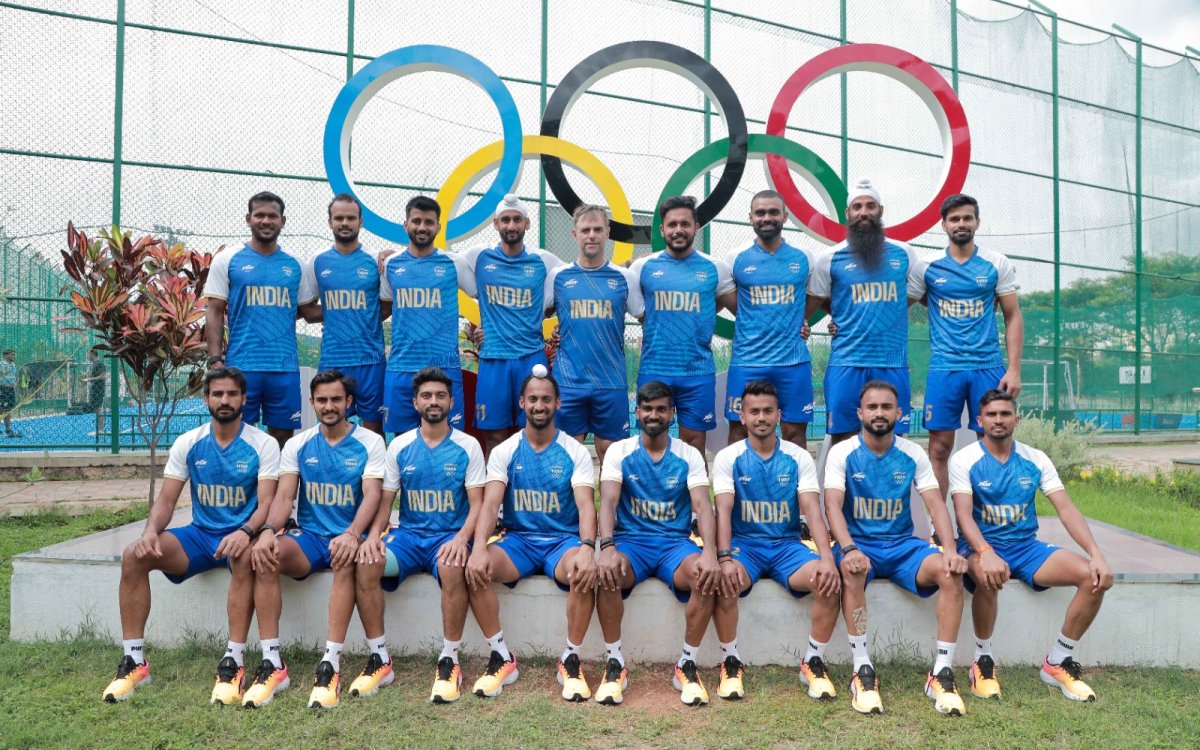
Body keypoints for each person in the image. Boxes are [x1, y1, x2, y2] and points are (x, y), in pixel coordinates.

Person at [101, 367, 280, 705]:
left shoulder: (263, 444)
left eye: (231, 394)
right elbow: (167, 500)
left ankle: (234, 660)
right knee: (133, 556)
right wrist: (150, 532)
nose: (224, 400)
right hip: (201, 535)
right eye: (217, 394)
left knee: (243, 557)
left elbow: (267, 503)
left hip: (242, 536)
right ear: (206, 399)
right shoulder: (189, 442)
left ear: (243, 399)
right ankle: (135, 660)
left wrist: (246, 532)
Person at [950, 389, 1112, 702]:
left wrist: (1097, 555)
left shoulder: (1035, 459)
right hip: (979, 545)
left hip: (1025, 547)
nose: (999, 420)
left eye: (1005, 414)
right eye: (992, 415)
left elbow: (1066, 510)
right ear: (979, 420)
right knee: (987, 575)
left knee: (1093, 578)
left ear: (1016, 419)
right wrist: (986, 553)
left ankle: (1056, 662)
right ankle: (983, 661)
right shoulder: (965, 460)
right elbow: (963, 516)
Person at [822, 380, 968, 716]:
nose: (879, 413)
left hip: (903, 547)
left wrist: (949, 548)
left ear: (899, 413)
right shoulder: (842, 452)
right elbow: (832, 505)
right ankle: (862, 669)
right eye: (872, 407)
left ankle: (941, 673)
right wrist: (848, 549)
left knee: (951, 572)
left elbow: (935, 502)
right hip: (860, 546)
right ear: (860, 413)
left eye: (886, 407)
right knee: (852, 571)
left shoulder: (912, 452)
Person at [245, 370, 387, 708]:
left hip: (351, 534)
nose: (329, 406)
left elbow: (372, 495)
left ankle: (330, 663)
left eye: (336, 399)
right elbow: (283, 499)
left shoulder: (371, 442)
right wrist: (267, 532)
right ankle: (273, 662)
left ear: (349, 402)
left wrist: (353, 534)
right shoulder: (298, 444)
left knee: (344, 559)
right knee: (266, 557)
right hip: (310, 535)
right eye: (322, 400)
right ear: (312, 403)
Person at [350, 366, 487, 705]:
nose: (434, 401)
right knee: (367, 562)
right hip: (409, 538)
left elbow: (478, 505)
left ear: (452, 402)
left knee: (454, 566)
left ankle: (449, 660)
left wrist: (461, 539)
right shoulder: (399, 445)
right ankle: (379, 658)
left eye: (441, 395)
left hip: (449, 537)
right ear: (415, 402)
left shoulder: (467, 446)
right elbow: (385, 501)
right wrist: (373, 535)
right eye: (426, 395)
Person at [464, 370, 597, 700]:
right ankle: (501, 657)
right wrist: (479, 546)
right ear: (522, 402)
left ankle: (570, 658)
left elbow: (585, 506)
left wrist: (587, 547)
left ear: (558, 404)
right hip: (519, 540)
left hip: (561, 541)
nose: (539, 405)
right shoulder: (505, 451)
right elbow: (491, 502)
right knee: (476, 567)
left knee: (583, 570)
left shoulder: (575, 451)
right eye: (533, 399)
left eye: (546, 399)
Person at [711, 380, 841, 701]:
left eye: (768, 411)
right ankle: (730, 660)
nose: (761, 417)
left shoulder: (798, 457)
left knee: (829, 580)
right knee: (724, 581)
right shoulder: (729, 457)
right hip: (746, 547)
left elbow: (813, 510)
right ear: (742, 416)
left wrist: (826, 557)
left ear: (780, 415)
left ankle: (813, 660)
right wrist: (725, 559)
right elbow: (723, 512)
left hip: (787, 548)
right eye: (754, 411)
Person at [594, 381, 720, 706]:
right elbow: (607, 502)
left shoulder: (688, 454)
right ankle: (614, 663)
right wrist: (606, 547)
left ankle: (686, 664)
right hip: (630, 543)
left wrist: (709, 552)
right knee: (606, 573)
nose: (654, 415)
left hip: (673, 544)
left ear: (672, 414)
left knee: (705, 575)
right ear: (637, 412)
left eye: (661, 409)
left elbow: (703, 506)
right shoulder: (619, 452)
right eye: (647, 409)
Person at [807, 180, 925, 443]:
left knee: (896, 439)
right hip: (846, 361)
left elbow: (919, 295)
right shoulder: (830, 257)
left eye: (870, 206)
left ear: (880, 211)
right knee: (843, 439)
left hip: (892, 361)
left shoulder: (904, 253)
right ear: (848, 214)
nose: (864, 212)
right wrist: (839, 314)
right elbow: (812, 302)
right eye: (857, 207)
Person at [922, 194, 1023, 496]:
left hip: (987, 367)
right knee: (939, 448)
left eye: (967, 218)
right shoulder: (928, 266)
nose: (961, 223)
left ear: (977, 222)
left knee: (990, 444)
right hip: (944, 368)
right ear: (944, 225)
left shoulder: (996, 263)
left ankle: (985, 524)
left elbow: (1013, 316)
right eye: (954, 219)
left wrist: (1014, 370)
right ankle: (939, 527)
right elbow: (899, 306)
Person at [205, 191, 319, 448]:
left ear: (283, 221)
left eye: (272, 216)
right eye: (260, 215)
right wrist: (214, 360)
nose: (266, 221)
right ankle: (244, 488)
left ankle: (276, 489)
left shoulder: (295, 265)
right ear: (248, 218)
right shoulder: (228, 259)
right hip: (241, 366)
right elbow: (213, 311)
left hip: (284, 368)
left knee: (282, 438)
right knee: (238, 436)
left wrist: (360, 307)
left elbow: (307, 311)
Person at [631, 195, 736, 456]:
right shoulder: (642, 267)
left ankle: (693, 496)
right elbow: (637, 311)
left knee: (694, 443)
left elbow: (741, 309)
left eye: (685, 224)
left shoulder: (716, 268)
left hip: (697, 371)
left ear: (696, 227)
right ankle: (654, 495)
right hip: (655, 367)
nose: (679, 230)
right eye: (672, 224)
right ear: (662, 229)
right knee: (652, 440)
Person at [462, 194, 562, 457]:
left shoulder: (544, 261)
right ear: (495, 224)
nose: (511, 225)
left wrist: (565, 326)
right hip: (494, 359)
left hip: (531, 358)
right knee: (494, 437)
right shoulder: (478, 257)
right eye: (505, 220)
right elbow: (437, 261)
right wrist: (392, 254)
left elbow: (577, 282)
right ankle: (495, 498)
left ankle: (527, 492)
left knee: (533, 432)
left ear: (527, 224)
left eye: (517, 219)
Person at [546, 204, 644, 467]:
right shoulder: (558, 277)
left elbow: (645, 317)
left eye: (597, 229)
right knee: (566, 458)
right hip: (568, 381)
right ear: (574, 234)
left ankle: (607, 511)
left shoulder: (624, 278)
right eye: (585, 230)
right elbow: (536, 316)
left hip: (610, 381)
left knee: (611, 457)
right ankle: (571, 510)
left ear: (608, 233)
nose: (591, 235)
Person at [725, 191, 817, 448]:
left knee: (795, 433)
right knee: (738, 431)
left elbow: (819, 295)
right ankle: (735, 489)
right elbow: (733, 303)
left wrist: (804, 318)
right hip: (748, 361)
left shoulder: (804, 257)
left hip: (793, 362)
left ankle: (795, 489)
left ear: (785, 216)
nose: (767, 218)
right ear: (750, 218)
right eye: (760, 213)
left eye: (773, 212)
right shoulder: (736, 258)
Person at [379, 196, 476, 436]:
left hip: (444, 368)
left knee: (450, 441)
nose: (422, 227)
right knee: (402, 443)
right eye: (417, 221)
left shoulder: (454, 263)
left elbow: (483, 296)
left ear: (438, 227)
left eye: (429, 222)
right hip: (402, 367)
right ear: (406, 225)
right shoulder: (391, 264)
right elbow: (384, 307)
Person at [306, 194, 387, 435]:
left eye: (350, 218)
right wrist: (341, 313)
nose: (344, 223)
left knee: (373, 430)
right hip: (333, 359)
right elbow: (308, 311)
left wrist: (361, 316)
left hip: (371, 361)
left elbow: (386, 306)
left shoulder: (375, 261)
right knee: (331, 427)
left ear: (360, 222)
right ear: (329, 222)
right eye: (338, 218)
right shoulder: (317, 262)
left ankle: (374, 474)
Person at [84, 348, 106, 436]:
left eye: (88, 354)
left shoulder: (100, 363)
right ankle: (99, 429)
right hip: (94, 389)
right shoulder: (94, 364)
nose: (87, 356)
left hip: (98, 389)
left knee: (99, 408)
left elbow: (103, 376)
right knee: (97, 408)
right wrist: (88, 377)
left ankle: (100, 430)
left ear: (93, 354)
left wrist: (90, 379)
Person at [1, 348, 20, 437]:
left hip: (11, 390)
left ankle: (8, 430)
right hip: (3, 389)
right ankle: (7, 430)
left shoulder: (13, 364)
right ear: (6, 355)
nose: (13, 356)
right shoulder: (1, 364)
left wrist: (15, 387)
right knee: (3, 409)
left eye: (13, 354)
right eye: (11, 354)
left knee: (8, 409)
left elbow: (13, 377)